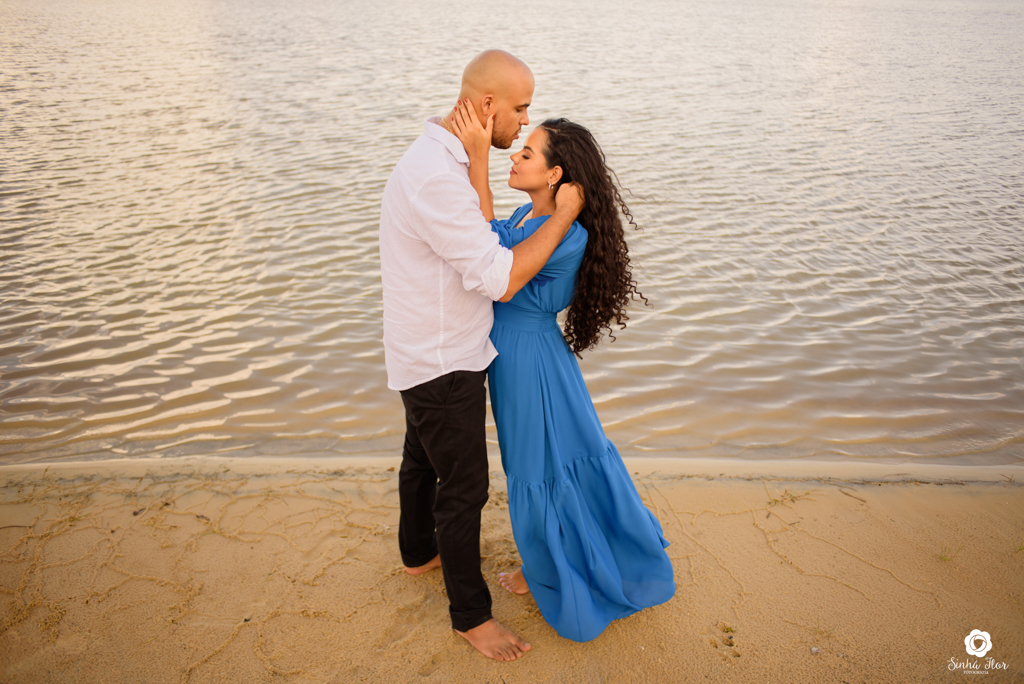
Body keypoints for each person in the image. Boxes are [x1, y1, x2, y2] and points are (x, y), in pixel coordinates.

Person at [377, 50, 584, 661]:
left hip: (424, 347)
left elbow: (481, 233)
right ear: (487, 104)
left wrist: (477, 162)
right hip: (444, 357)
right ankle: (471, 617)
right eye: (520, 109)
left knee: (421, 459)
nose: (524, 123)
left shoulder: (442, 160)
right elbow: (501, 277)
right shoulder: (438, 178)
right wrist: (564, 215)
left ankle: (419, 554)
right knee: (465, 488)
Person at [449, 103, 676, 642]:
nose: (515, 157)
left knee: (536, 465)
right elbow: (486, 237)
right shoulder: (528, 218)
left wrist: (481, 161)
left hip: (530, 360)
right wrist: (481, 162)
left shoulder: (566, 234)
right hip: (520, 354)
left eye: (527, 154)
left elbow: (502, 270)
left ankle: (547, 568)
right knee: (545, 459)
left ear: (554, 174)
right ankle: (550, 556)